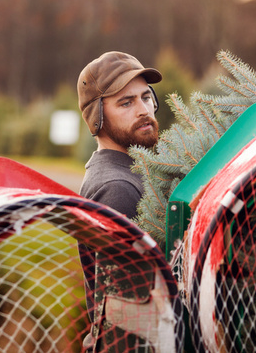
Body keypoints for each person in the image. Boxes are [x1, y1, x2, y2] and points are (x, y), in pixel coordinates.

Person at [76, 51, 162, 351]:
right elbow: (123, 316)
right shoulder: (117, 188)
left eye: (146, 97)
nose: (143, 110)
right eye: (126, 102)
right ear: (97, 117)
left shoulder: (135, 169)